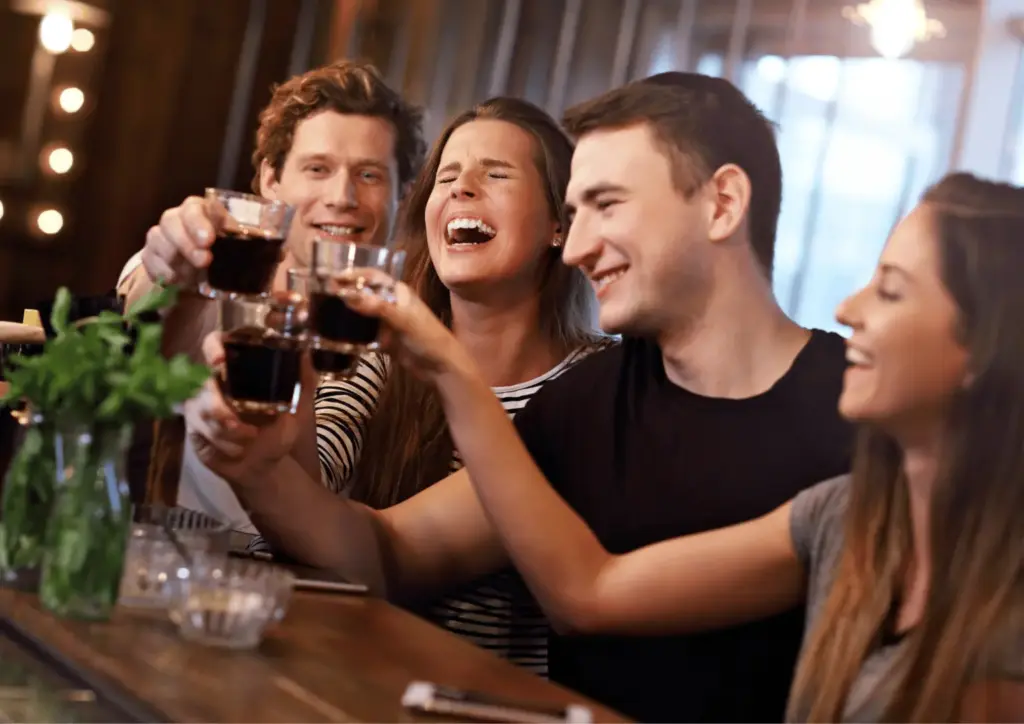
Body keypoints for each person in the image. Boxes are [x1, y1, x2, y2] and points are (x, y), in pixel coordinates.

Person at [185, 74, 853, 721]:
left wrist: (447, 368)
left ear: (723, 204)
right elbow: (389, 555)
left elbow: (586, 597)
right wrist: (258, 468)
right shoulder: (584, 403)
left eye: (608, 205)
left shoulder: (863, 410)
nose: (581, 247)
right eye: (577, 211)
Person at [343, 171, 1024, 723]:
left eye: (893, 289)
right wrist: (449, 374)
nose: (849, 307)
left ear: (985, 349)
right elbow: (591, 594)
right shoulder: (842, 516)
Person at [235, 96, 605, 674]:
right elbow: (316, 483)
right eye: (448, 177)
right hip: (334, 679)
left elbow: (387, 553)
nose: (462, 188)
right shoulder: (382, 351)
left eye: (496, 173)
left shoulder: (589, 389)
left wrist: (251, 468)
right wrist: (291, 386)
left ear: (560, 223)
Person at [116, 59, 426, 530]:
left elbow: (319, 483)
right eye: (318, 168)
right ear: (270, 180)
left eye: (369, 175)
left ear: (402, 195)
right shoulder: (196, 269)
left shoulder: (389, 337)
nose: (343, 196)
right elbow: (142, 339)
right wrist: (177, 276)